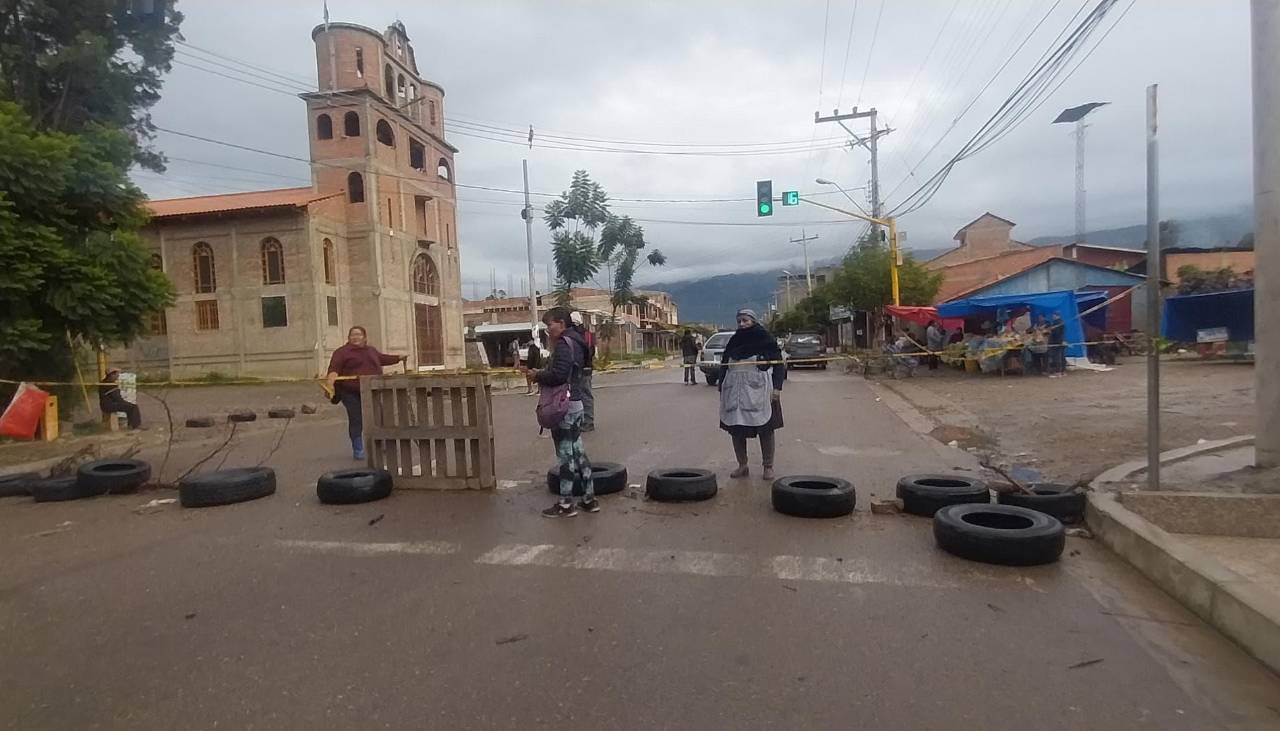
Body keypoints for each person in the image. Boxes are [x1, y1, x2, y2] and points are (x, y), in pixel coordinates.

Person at [521, 307, 597, 518]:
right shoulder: (579, 341)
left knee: (566, 457)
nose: (548, 329)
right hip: (576, 403)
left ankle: (566, 504)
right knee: (578, 453)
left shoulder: (564, 344)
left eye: (550, 325)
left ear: (561, 324)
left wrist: (538, 375)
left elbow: (559, 375)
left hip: (564, 406)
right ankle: (589, 499)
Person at [719, 309, 785, 481]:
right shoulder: (734, 342)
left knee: (766, 430)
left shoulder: (766, 340)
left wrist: (777, 388)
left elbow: (779, 365)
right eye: (739, 321)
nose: (742, 324)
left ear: (753, 321)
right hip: (736, 394)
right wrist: (721, 387)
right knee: (736, 430)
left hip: (761, 394)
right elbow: (724, 365)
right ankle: (742, 465)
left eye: (745, 320)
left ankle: (768, 466)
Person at [326, 325, 406, 460]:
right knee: (356, 419)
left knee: (378, 417)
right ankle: (358, 449)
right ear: (348, 338)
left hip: (372, 390)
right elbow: (334, 369)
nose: (355, 337)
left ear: (365, 337)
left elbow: (382, 358)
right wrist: (330, 383)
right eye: (353, 335)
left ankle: (382, 444)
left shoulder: (371, 350)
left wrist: (398, 357)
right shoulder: (342, 352)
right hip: (350, 392)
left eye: (358, 334)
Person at [570, 311, 596, 431]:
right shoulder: (588, 334)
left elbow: (586, 352)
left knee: (583, 395)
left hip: (580, 368)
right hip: (587, 368)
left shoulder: (575, 335)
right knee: (584, 395)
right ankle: (585, 420)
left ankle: (588, 421)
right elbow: (592, 351)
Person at [1048, 311, 1066, 376]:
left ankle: (1058, 372)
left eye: (1053, 315)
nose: (1052, 317)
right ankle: (1063, 371)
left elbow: (1056, 333)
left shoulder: (1056, 323)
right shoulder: (1062, 322)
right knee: (1062, 357)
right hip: (1061, 341)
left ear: (1056, 315)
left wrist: (1050, 333)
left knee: (1057, 357)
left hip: (1056, 342)